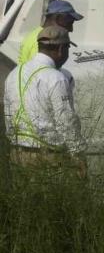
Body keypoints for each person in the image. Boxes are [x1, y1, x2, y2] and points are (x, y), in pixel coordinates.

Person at [4, 26, 82, 164]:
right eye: (67, 49)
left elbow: (8, 112)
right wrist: (77, 154)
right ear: (60, 49)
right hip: (47, 155)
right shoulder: (56, 77)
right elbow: (66, 120)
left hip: (17, 152)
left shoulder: (14, 73)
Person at [18, 0, 83, 66]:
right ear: (58, 18)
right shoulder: (43, 40)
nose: (71, 29)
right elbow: (41, 71)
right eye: (69, 23)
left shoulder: (37, 34)